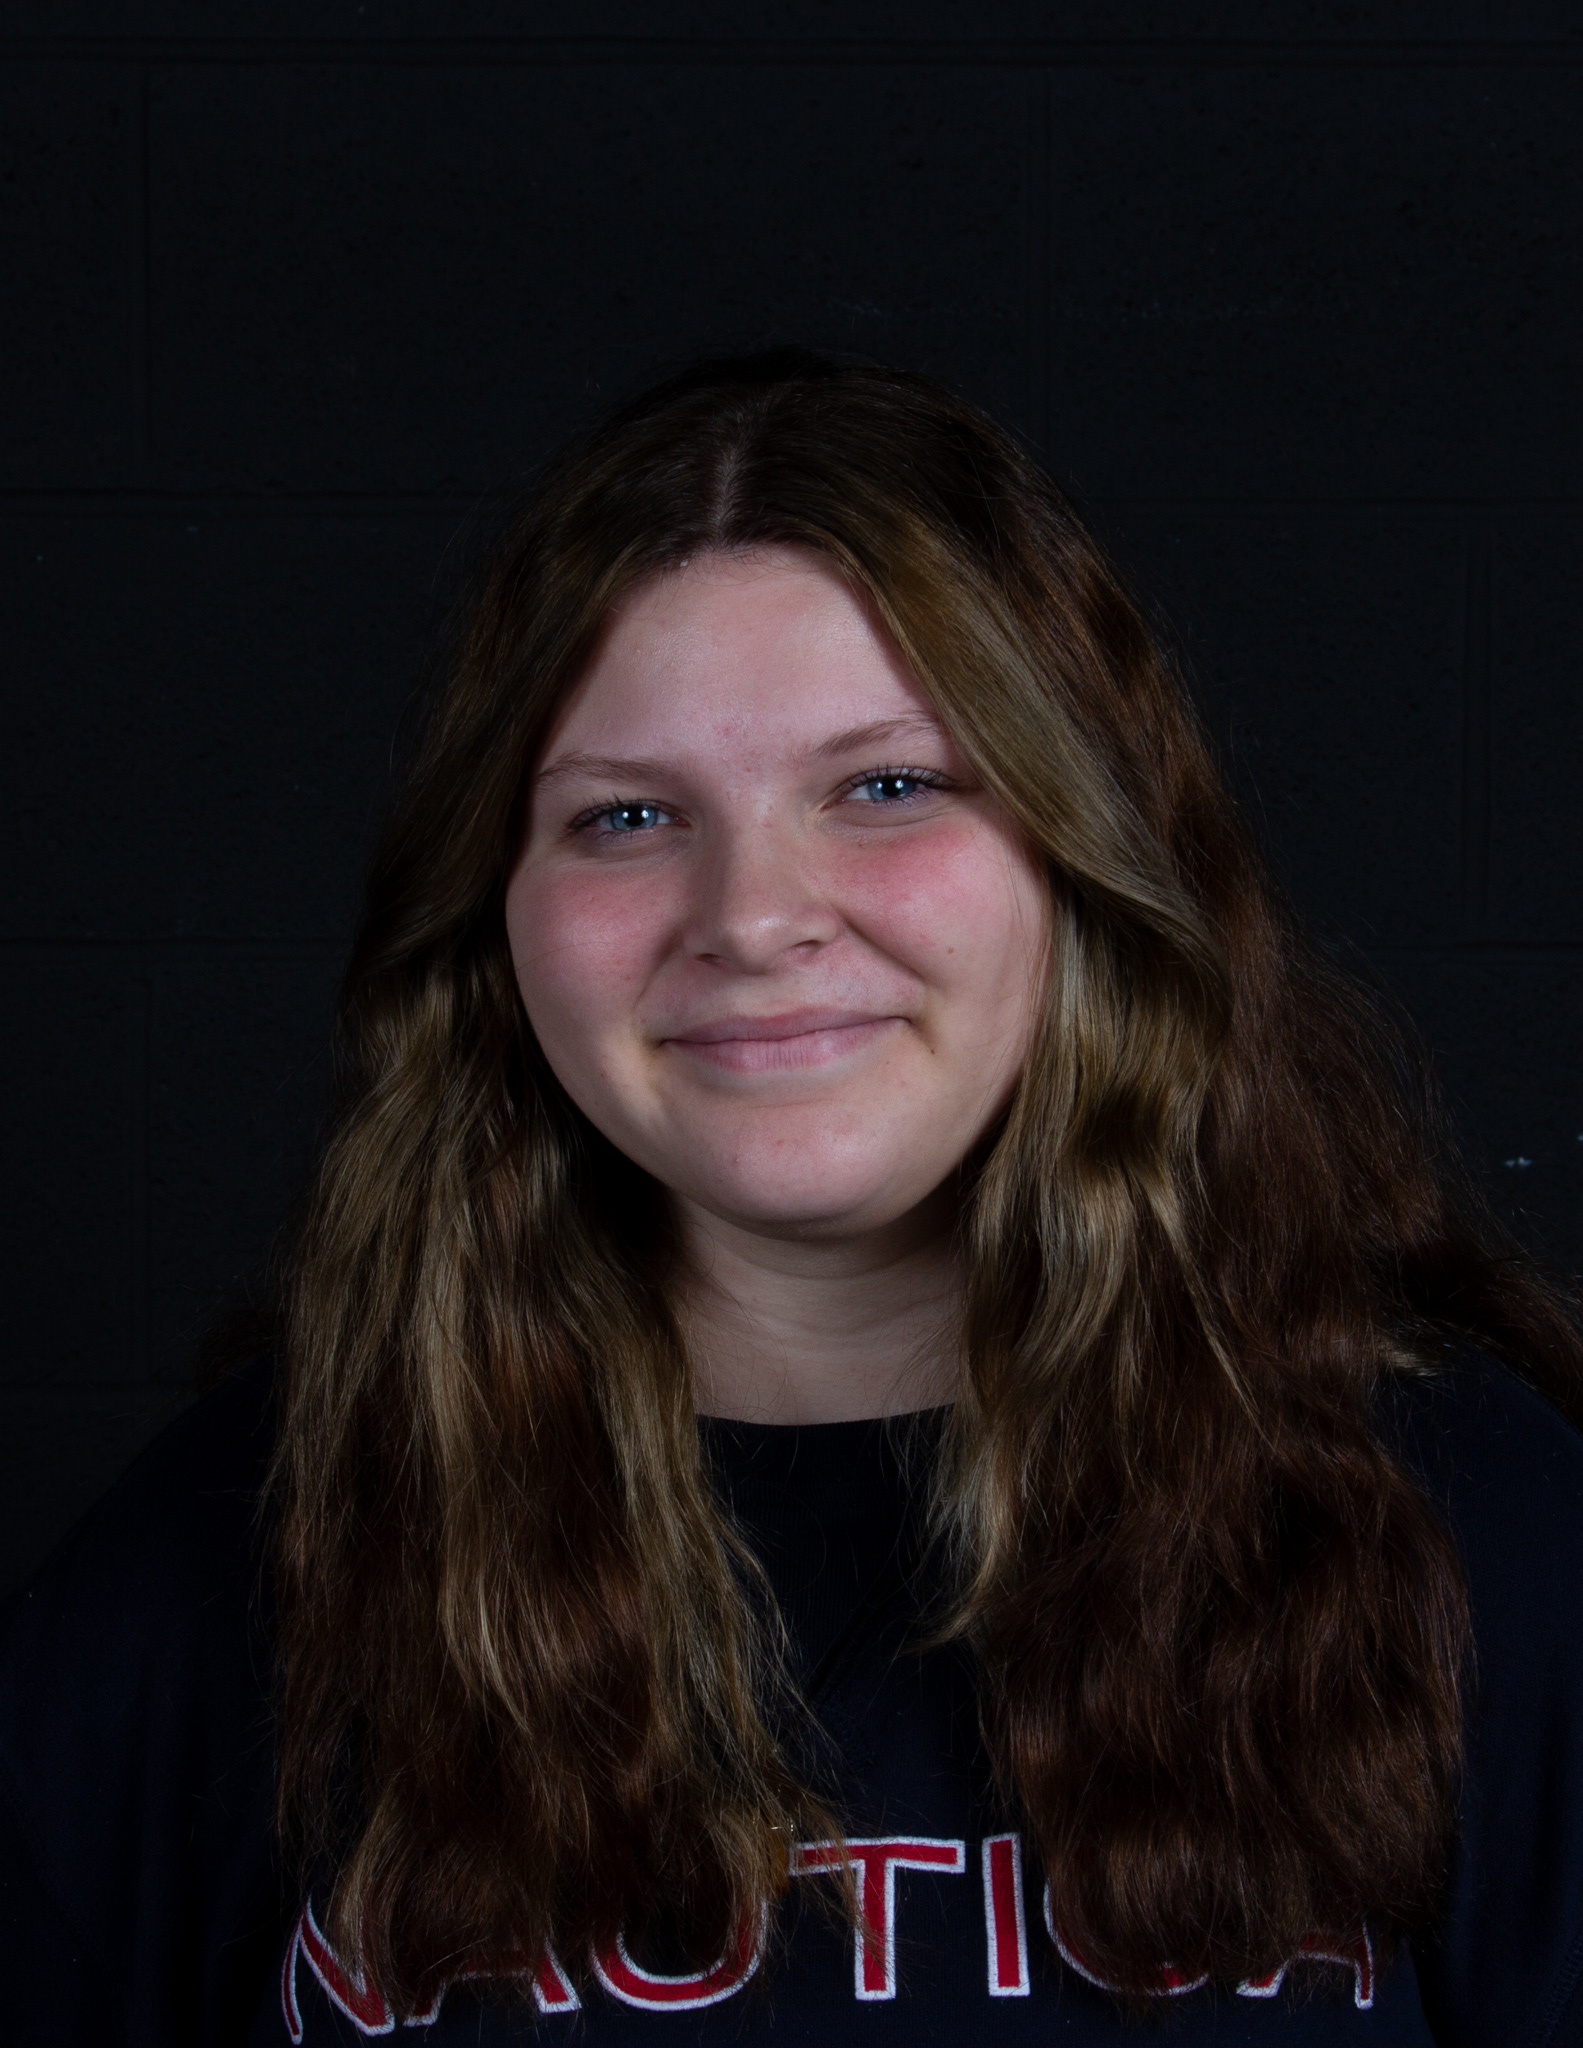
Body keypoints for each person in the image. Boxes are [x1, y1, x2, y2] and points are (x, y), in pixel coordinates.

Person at [3, 351, 1582, 2048]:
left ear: (1086, 847)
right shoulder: (233, 1559)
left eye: (887, 787)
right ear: (492, 910)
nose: (753, 917)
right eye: (625, 815)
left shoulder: (1474, 1538)